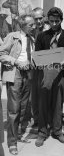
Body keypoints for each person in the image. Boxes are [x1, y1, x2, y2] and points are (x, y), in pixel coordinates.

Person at [34, 7, 64, 147]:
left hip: (61, 74)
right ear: (48, 20)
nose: (53, 24)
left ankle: (57, 132)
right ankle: (42, 132)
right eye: (51, 21)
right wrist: (42, 63)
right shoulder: (41, 36)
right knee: (43, 103)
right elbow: (38, 55)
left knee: (58, 104)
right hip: (45, 73)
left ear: (61, 20)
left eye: (56, 21)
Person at [0, 14, 35, 155]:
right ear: (23, 25)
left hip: (28, 74)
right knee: (13, 110)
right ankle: (12, 143)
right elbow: (1, 54)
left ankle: (18, 135)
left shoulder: (32, 39)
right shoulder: (12, 36)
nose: (33, 27)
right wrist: (16, 62)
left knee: (23, 107)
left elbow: (32, 57)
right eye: (30, 25)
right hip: (15, 74)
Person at [30, 7, 50, 128]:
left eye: (40, 18)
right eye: (36, 19)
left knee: (44, 93)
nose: (38, 21)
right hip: (34, 67)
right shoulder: (32, 30)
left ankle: (46, 120)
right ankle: (36, 118)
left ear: (45, 17)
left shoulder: (48, 31)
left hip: (45, 66)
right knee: (35, 94)